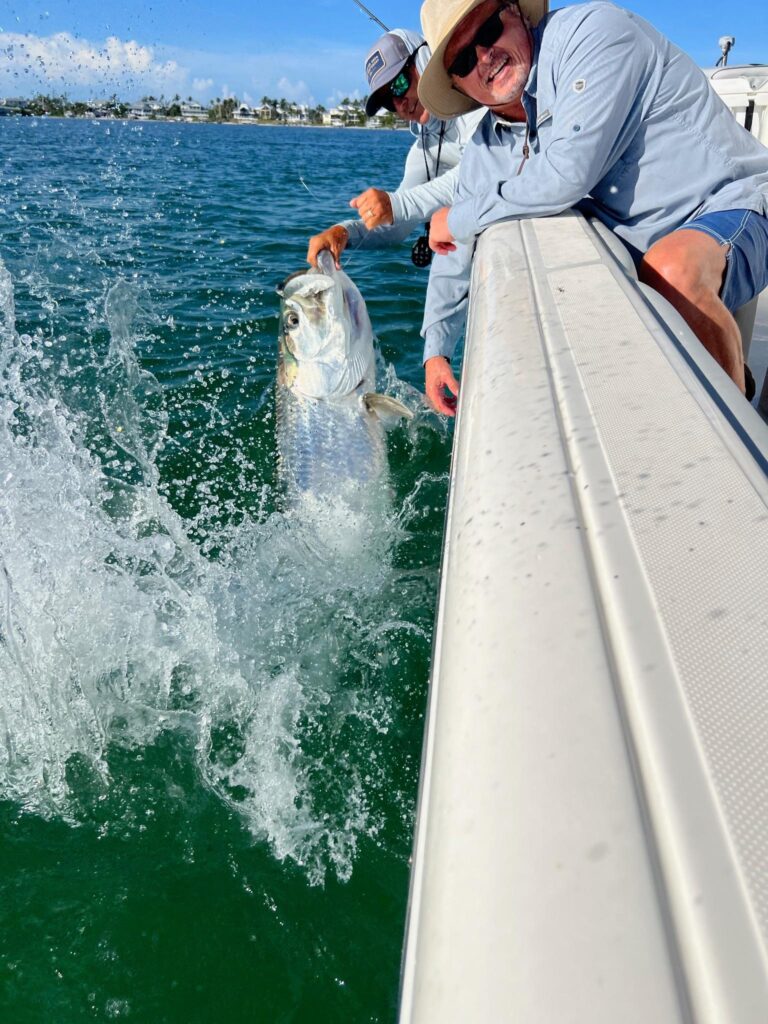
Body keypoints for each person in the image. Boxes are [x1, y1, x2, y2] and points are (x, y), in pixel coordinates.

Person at [416, 0, 768, 415]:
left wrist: (456, 218)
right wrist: (436, 351)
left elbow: (567, 173)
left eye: (489, 29)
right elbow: (455, 249)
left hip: (732, 206)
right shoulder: (484, 149)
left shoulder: (593, 34)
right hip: (640, 263)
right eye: (462, 60)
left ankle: (734, 433)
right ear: (458, 86)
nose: (483, 57)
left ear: (517, 13)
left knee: (672, 272)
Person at [306, 29, 485, 269]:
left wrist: (396, 204)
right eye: (389, 101)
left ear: (425, 61)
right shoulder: (422, 151)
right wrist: (342, 232)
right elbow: (395, 227)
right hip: (457, 244)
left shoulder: (478, 103)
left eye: (400, 84)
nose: (400, 104)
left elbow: (477, 173)